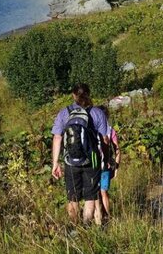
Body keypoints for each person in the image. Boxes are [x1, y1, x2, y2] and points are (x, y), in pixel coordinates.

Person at [51, 83, 112, 225]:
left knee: (73, 198)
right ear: (89, 94)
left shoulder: (64, 113)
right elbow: (104, 139)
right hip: (92, 161)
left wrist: (55, 163)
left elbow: (57, 138)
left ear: (73, 95)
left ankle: (74, 228)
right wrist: (106, 158)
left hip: (70, 161)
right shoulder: (97, 113)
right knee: (90, 198)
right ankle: (85, 227)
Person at [99, 125, 121, 221]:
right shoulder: (110, 130)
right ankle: (107, 216)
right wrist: (116, 167)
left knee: (95, 193)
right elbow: (117, 150)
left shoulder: (90, 126)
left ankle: (99, 217)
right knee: (104, 192)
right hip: (106, 166)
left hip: (92, 166)